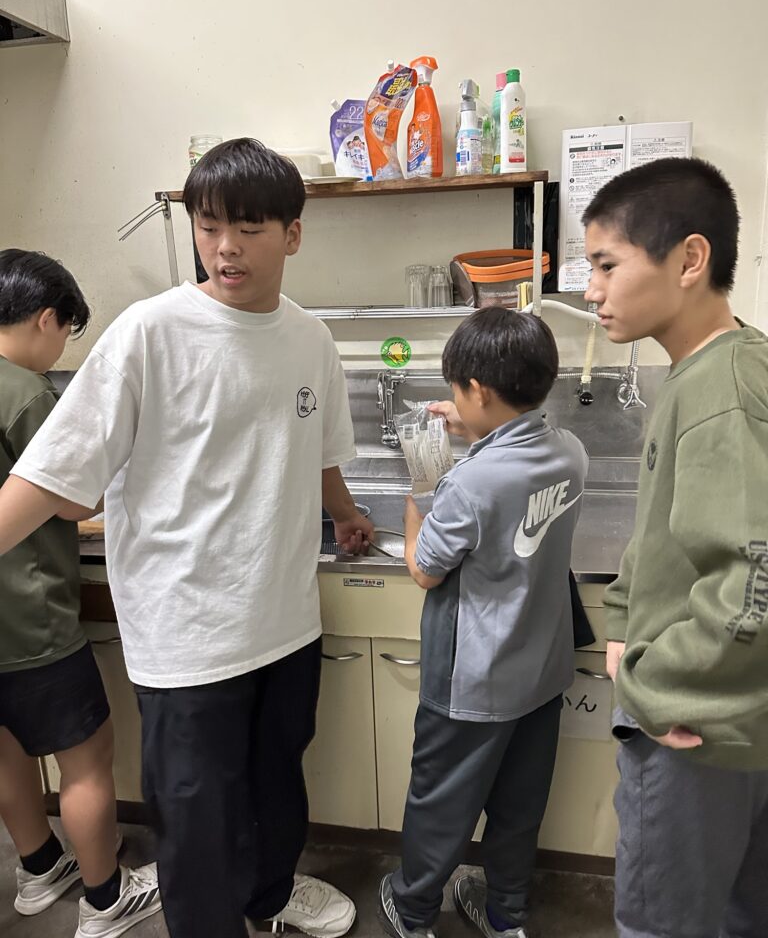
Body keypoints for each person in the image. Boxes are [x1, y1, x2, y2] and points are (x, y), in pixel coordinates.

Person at [0, 140, 373, 938]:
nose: (225, 247)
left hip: (286, 622)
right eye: (209, 227)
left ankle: (269, 899)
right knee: (198, 829)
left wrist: (343, 512)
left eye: (249, 228)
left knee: (276, 788)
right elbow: (53, 475)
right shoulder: (150, 332)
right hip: (187, 635)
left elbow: (318, 449)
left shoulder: (310, 339)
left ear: (292, 234)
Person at [583, 156, 768, 938]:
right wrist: (623, 619)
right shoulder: (716, 365)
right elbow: (662, 531)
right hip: (729, 719)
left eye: (606, 265)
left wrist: (654, 683)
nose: (590, 289)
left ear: (690, 260)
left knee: (663, 925)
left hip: (693, 732)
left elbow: (752, 574)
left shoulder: (721, 389)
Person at [379, 307, 588, 938]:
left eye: (457, 389)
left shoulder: (469, 484)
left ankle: (414, 913)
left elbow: (426, 568)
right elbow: (510, 482)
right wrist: (475, 428)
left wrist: (422, 485)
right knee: (519, 807)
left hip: (473, 680)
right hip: (541, 671)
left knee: (441, 802)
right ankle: (505, 915)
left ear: (478, 389)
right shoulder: (570, 452)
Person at [0, 249, 160, 936]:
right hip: (28, 615)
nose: (62, 346)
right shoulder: (26, 393)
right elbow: (71, 496)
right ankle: (105, 901)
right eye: (66, 331)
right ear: (46, 319)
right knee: (88, 759)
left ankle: (40, 869)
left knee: (6, 750)